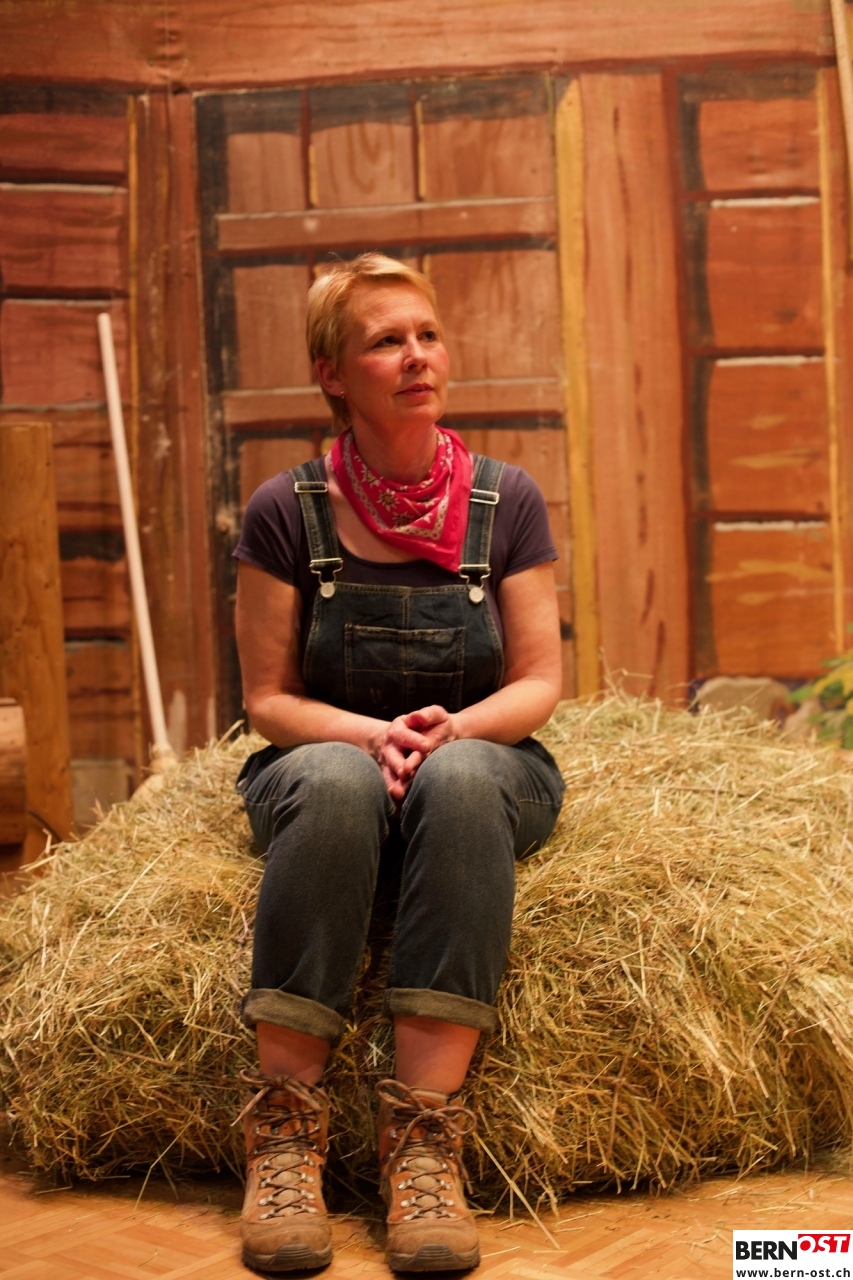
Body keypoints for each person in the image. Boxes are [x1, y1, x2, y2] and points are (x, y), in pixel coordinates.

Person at [232, 252, 565, 1274]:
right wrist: (369, 737)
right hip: (324, 758)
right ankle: (283, 1135)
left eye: (427, 334)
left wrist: (450, 734)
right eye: (386, 341)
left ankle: (423, 1141)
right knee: (336, 785)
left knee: (458, 784)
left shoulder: (506, 499)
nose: (417, 356)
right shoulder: (285, 509)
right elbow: (268, 702)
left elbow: (539, 680)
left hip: (484, 757)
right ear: (332, 373)